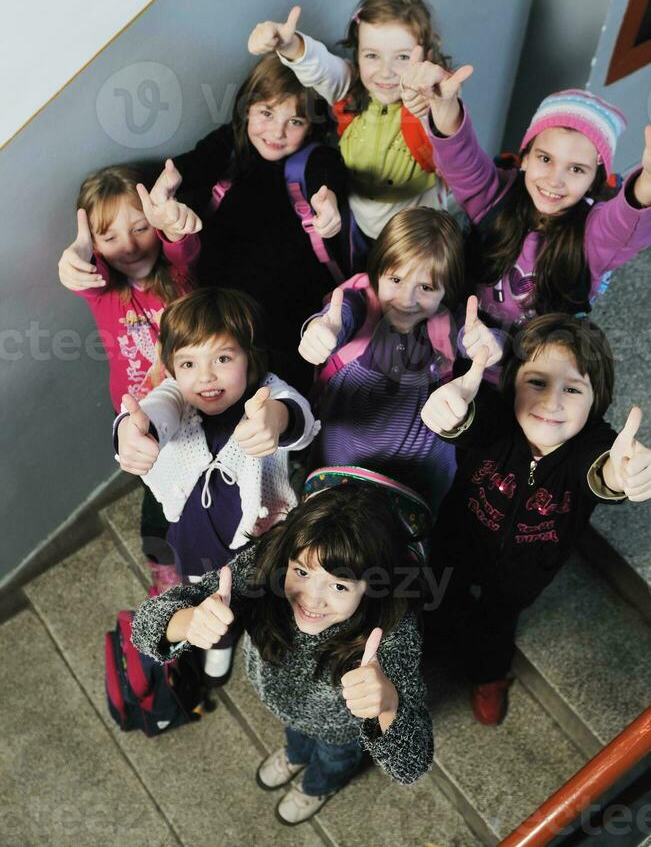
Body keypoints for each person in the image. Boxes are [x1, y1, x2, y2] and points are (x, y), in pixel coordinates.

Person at [131, 484, 433, 824]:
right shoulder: (266, 563)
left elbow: (410, 766)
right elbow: (143, 630)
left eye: (339, 585)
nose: (312, 600)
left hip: (340, 733)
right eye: (302, 571)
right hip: (283, 704)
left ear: (373, 586)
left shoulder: (391, 631)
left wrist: (389, 705)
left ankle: (318, 786)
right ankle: (295, 756)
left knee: (332, 762)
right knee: (296, 741)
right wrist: (186, 621)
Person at [420, 314, 651, 726]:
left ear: (595, 403)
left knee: (497, 625)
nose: (551, 402)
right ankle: (428, 645)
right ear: (512, 383)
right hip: (456, 543)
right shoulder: (497, 417)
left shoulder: (593, 443)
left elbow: (602, 470)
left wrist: (622, 474)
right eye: (537, 382)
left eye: (573, 388)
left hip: (524, 572)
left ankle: (489, 677)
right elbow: (471, 419)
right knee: (437, 600)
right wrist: (452, 412)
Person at [115, 287, 318, 685]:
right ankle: (218, 645)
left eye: (223, 358)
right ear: (172, 368)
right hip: (197, 535)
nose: (205, 377)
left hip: (261, 536)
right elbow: (154, 414)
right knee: (210, 602)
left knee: (265, 597)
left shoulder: (266, 392)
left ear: (250, 357)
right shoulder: (175, 395)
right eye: (188, 363)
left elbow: (299, 417)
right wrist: (130, 431)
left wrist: (275, 420)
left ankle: (266, 643)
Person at [399, 60, 651, 330]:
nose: (555, 180)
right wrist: (444, 106)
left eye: (576, 169)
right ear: (526, 158)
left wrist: (648, 179)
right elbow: (461, 160)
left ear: (592, 182)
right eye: (545, 158)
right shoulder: (495, 195)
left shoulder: (594, 233)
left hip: (533, 362)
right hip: (462, 336)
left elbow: (626, 223)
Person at [168, 54, 352, 394]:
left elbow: (327, 178)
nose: (277, 132)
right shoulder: (230, 145)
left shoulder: (314, 159)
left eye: (295, 121)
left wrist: (328, 204)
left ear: (311, 126)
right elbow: (190, 166)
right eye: (266, 113)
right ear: (246, 109)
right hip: (223, 311)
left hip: (289, 314)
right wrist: (164, 188)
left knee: (284, 394)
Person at [299, 207, 502, 512]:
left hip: (414, 473)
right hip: (341, 459)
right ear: (377, 271)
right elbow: (337, 319)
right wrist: (319, 329)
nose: (407, 299)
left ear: (446, 292)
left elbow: (473, 335)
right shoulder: (358, 301)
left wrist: (490, 345)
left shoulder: (448, 320)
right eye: (396, 279)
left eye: (426, 287)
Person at [57, 164, 202, 591]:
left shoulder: (177, 271)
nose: (131, 245)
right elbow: (82, 274)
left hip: (204, 401)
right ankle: (162, 567)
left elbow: (182, 244)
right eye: (110, 237)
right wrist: (78, 257)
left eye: (140, 228)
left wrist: (171, 224)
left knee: (207, 480)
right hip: (147, 424)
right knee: (158, 499)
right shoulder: (103, 289)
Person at [249, 0, 458, 249]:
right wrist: (289, 45)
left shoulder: (426, 100)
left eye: (402, 57)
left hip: (416, 237)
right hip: (358, 226)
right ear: (357, 53)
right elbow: (321, 67)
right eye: (372, 55)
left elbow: (449, 122)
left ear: (427, 55)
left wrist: (437, 97)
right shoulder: (349, 88)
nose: (386, 72)